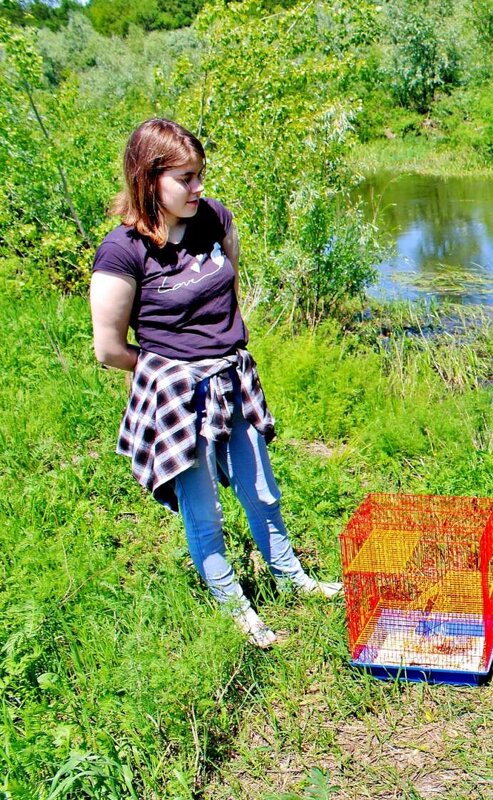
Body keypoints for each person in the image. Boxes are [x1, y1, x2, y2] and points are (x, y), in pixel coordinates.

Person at [90, 118, 340, 648]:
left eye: (200, 174)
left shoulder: (213, 218)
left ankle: (292, 579)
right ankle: (236, 608)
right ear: (148, 178)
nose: (199, 187)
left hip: (233, 380)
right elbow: (109, 349)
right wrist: (170, 370)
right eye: (186, 178)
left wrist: (219, 347)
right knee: (204, 510)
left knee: (261, 490)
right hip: (180, 397)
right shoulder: (123, 252)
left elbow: (229, 276)